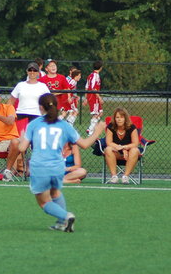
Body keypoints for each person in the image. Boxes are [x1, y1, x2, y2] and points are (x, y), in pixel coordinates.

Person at [18, 93, 106, 232]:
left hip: (40, 167)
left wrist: (21, 137)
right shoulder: (64, 125)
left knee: (43, 202)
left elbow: (22, 148)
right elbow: (84, 144)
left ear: (40, 107)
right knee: (55, 192)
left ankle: (66, 216)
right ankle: (61, 223)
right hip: (58, 167)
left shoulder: (34, 124)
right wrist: (97, 131)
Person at [103, 107, 140, 184]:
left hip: (129, 153)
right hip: (115, 153)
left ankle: (125, 177)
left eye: (122, 117)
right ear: (114, 118)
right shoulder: (110, 126)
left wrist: (125, 148)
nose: (119, 119)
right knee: (108, 149)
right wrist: (121, 149)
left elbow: (135, 143)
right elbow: (109, 142)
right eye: (117, 117)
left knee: (135, 150)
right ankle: (114, 177)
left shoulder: (132, 127)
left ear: (125, 118)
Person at [8, 62, 51, 128]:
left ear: (38, 72)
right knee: (21, 134)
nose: (32, 72)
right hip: (21, 114)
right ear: (27, 71)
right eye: (30, 70)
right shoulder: (20, 85)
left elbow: (49, 101)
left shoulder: (43, 86)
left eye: (34, 70)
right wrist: (9, 114)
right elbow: (11, 102)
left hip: (37, 115)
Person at [83, 60, 104, 135]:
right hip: (93, 96)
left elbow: (86, 87)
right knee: (95, 114)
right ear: (101, 68)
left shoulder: (91, 75)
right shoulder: (95, 76)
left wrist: (86, 98)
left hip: (92, 96)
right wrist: (99, 98)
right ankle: (90, 130)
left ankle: (91, 128)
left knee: (100, 112)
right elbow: (93, 88)